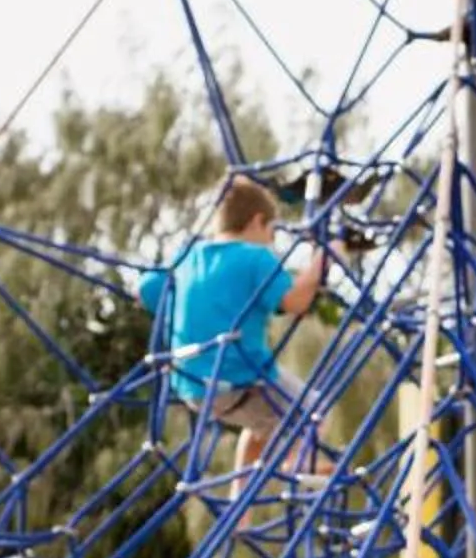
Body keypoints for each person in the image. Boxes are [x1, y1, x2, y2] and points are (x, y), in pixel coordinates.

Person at [140, 174, 334, 474]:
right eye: (271, 230)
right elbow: (297, 302)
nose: (272, 240)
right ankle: (297, 460)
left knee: (259, 429)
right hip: (243, 380)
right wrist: (324, 258)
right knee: (316, 410)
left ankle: (239, 512)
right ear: (257, 221)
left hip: (191, 387)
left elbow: (148, 289)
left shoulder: (187, 257)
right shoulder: (256, 258)